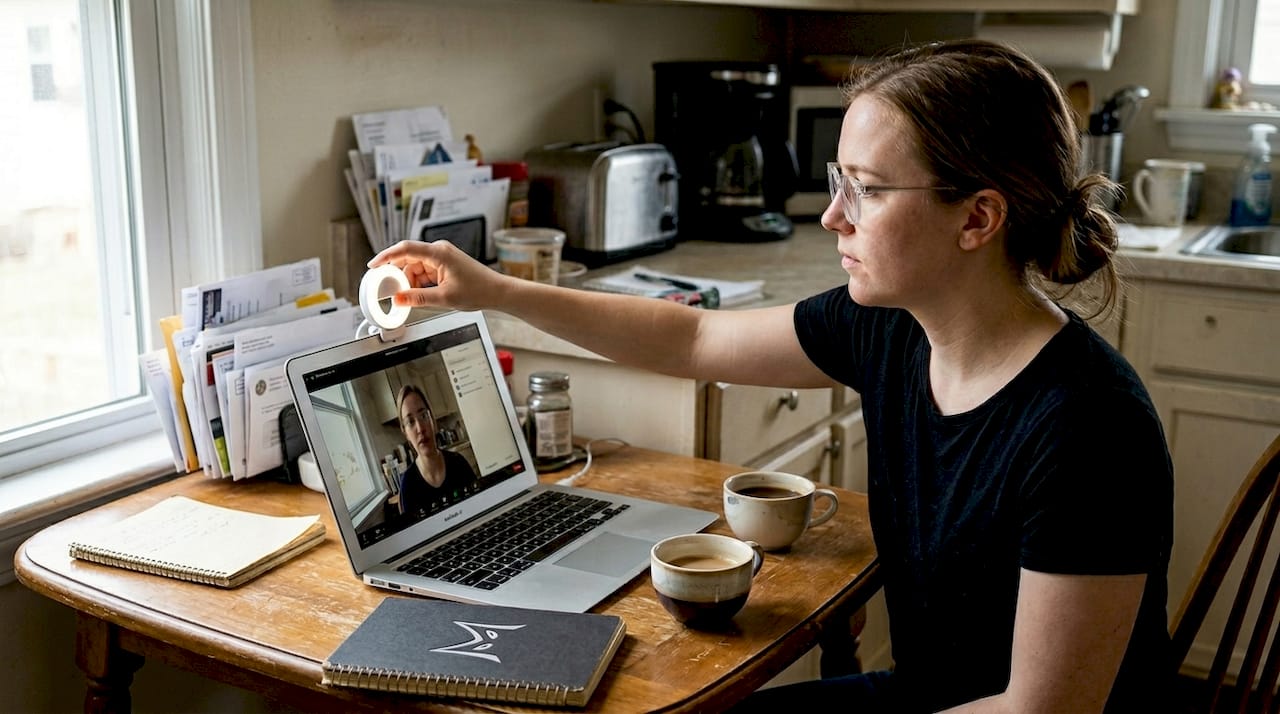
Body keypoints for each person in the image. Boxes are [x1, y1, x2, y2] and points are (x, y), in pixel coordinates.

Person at [368, 39, 1173, 713]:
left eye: (868, 189)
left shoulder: (1089, 428)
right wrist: (491, 289)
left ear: (977, 218)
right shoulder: (890, 329)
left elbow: (1041, 713)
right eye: (838, 181)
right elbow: (691, 338)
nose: (833, 216)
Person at [395, 384, 478, 515]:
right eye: (410, 422)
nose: (420, 428)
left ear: (432, 418)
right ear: (405, 433)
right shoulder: (408, 485)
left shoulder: (459, 463)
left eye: (423, 416)